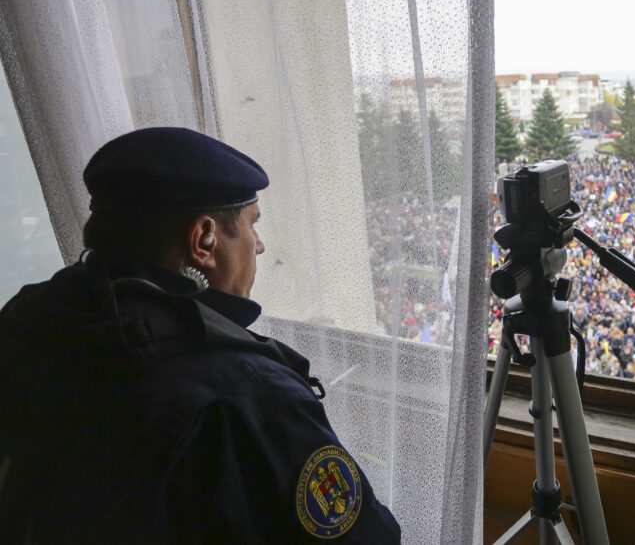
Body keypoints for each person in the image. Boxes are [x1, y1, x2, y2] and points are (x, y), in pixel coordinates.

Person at [0, 128, 400, 543]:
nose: (258, 246)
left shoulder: (29, 326)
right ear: (204, 240)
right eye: (251, 225)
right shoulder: (247, 396)